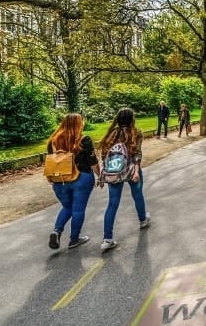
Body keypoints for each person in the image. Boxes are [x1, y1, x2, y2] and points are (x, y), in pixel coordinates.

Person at [98, 108, 150, 253]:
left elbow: (104, 154)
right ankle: (142, 220)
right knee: (137, 195)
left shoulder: (112, 133)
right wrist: (136, 170)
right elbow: (137, 153)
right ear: (132, 119)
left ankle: (107, 238)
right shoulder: (136, 132)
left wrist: (104, 173)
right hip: (132, 169)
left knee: (112, 203)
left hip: (114, 171)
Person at [47, 113, 100, 250]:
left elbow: (51, 160)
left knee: (67, 207)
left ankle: (57, 231)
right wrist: (100, 175)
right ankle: (74, 239)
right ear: (79, 123)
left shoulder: (53, 141)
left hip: (60, 180)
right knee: (78, 209)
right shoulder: (83, 139)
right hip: (81, 177)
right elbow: (93, 162)